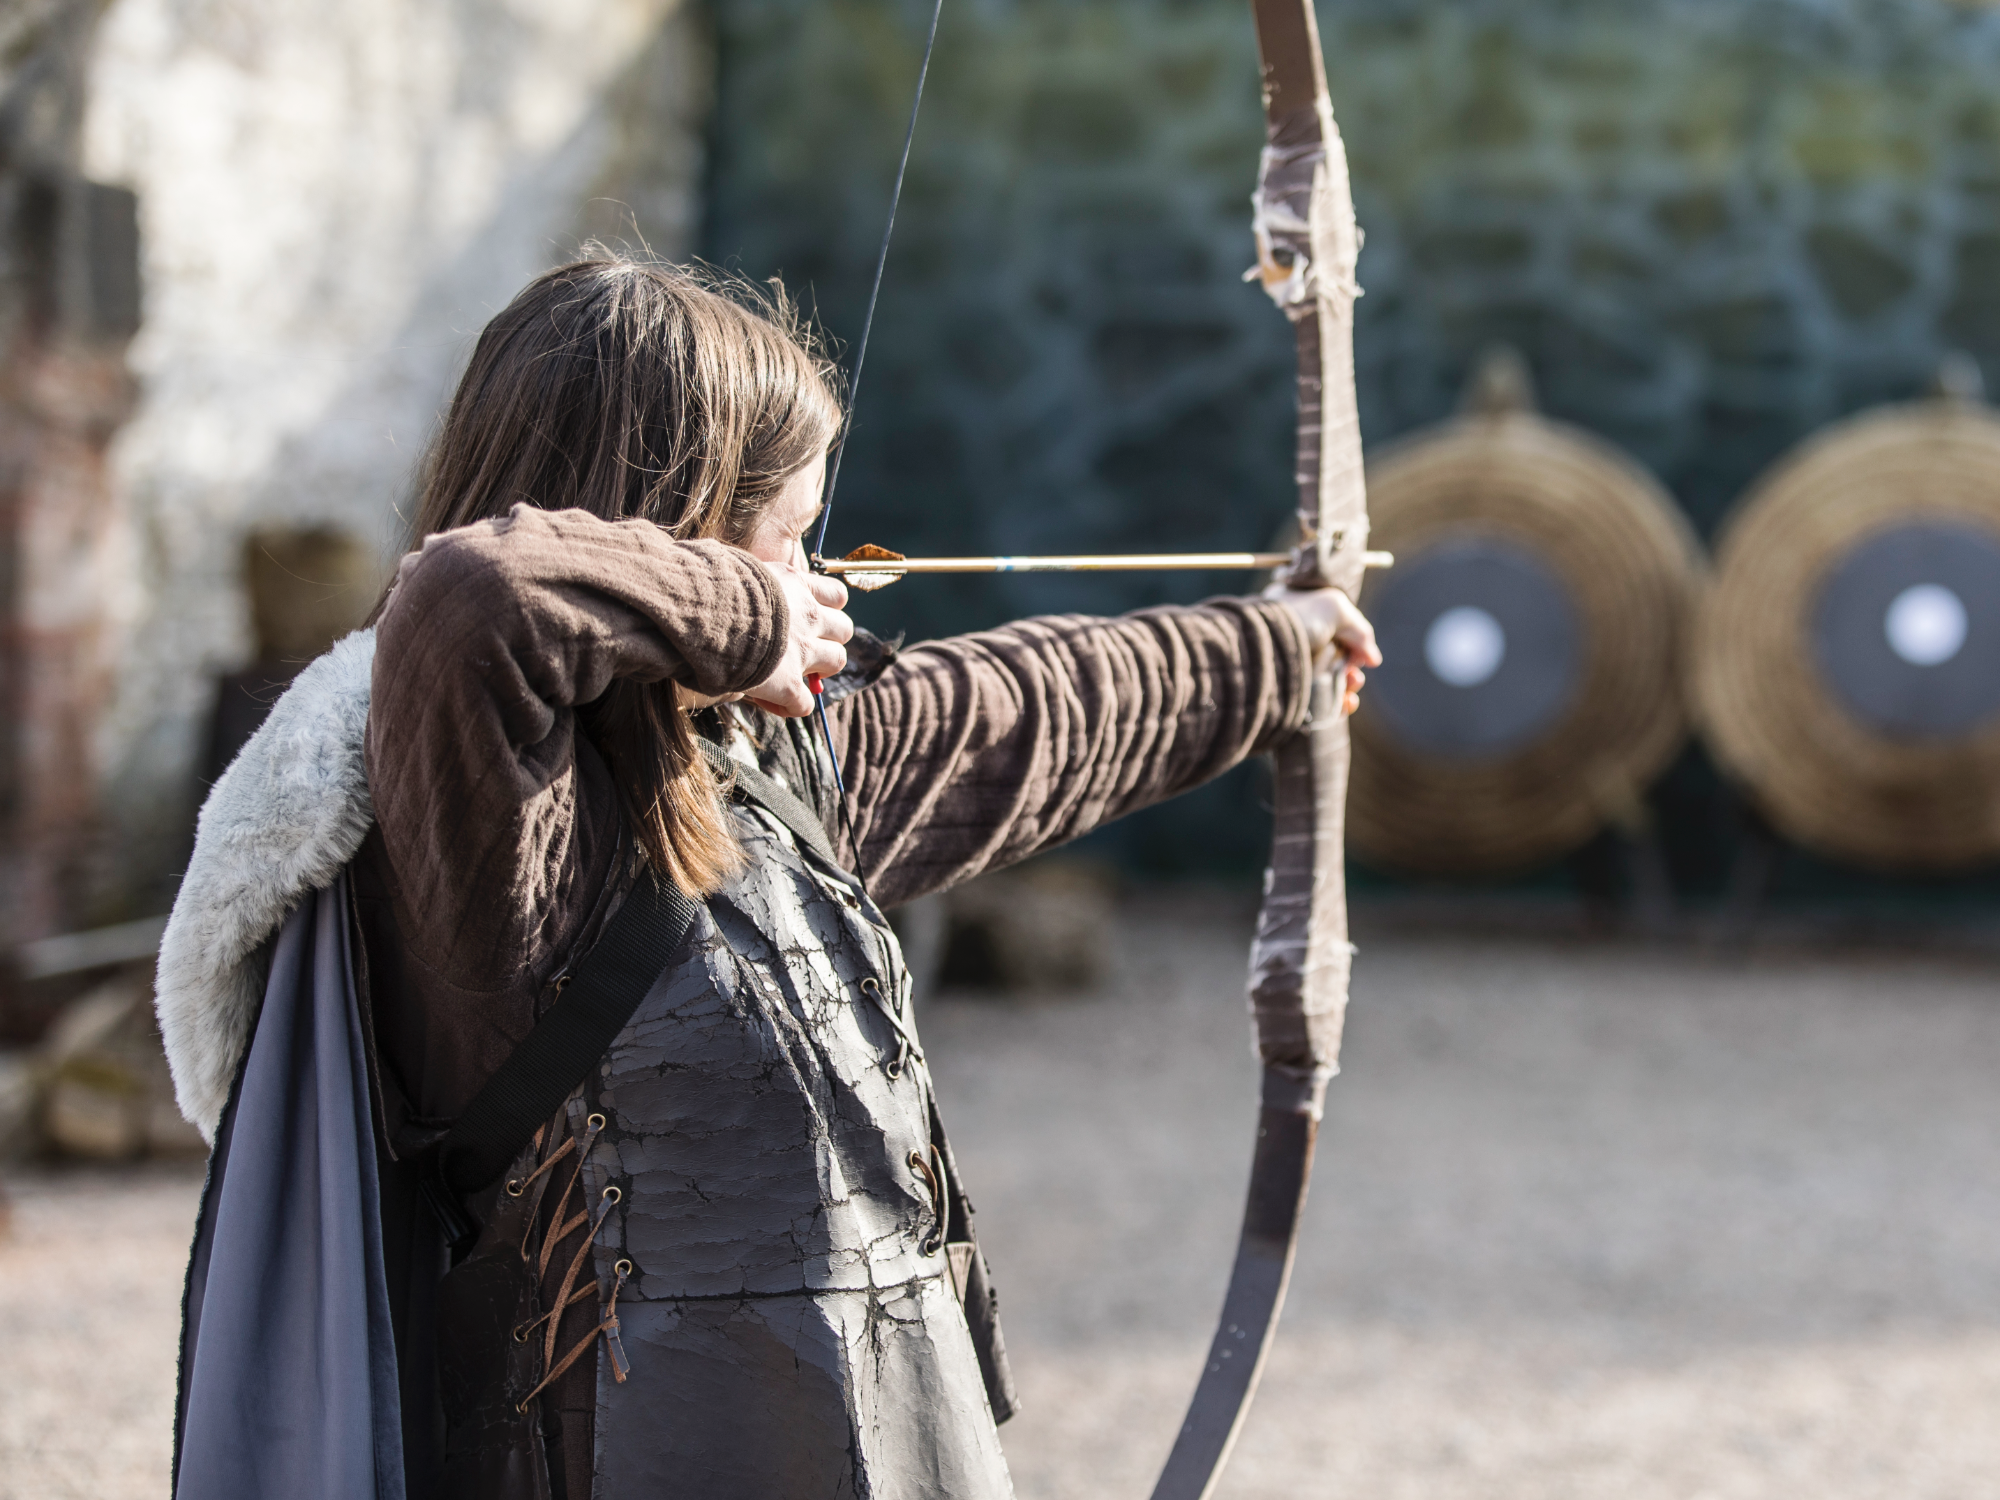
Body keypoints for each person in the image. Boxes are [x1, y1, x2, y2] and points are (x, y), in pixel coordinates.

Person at [271, 255, 1377, 1499]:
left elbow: (1033, 709)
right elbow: (474, 597)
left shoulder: (767, 763)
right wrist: (754, 618)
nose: (819, 582)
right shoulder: (486, 822)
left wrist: (1284, 646)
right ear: (677, 535)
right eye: (788, 538)